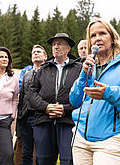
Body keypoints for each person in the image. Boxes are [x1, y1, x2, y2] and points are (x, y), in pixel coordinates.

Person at [69, 19, 120, 165]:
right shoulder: (89, 65)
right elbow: (74, 101)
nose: (97, 38)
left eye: (102, 33)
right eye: (93, 36)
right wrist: (83, 74)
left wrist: (108, 93)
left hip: (113, 140)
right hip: (81, 139)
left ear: (112, 38)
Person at [28, 33, 82, 165]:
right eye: (53, 44)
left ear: (68, 48)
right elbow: (31, 93)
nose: (56, 47)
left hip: (69, 121)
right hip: (44, 120)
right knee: (43, 159)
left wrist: (65, 109)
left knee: (67, 160)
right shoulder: (43, 68)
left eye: (60, 44)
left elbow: (84, 95)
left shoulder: (79, 68)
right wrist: (46, 107)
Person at [18, 45, 47, 165]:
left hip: (41, 117)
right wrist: (20, 116)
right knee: (26, 152)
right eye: (34, 52)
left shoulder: (49, 73)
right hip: (25, 117)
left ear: (45, 57)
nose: (36, 53)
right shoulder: (26, 74)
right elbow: (22, 97)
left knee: (42, 152)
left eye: (39, 52)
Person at [0, 47, 19, 165]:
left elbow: (15, 98)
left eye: (6, 57)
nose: (4, 59)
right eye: (1, 56)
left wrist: (12, 115)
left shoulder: (13, 79)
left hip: (3, 121)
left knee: (7, 154)